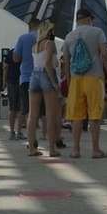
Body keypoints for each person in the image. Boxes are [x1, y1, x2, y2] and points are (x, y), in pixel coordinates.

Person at [62, 8, 107, 159]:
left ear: (77, 20)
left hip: (76, 80)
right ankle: (95, 150)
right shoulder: (97, 32)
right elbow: (104, 55)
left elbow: (66, 62)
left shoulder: (69, 36)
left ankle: (75, 150)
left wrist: (69, 82)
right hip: (94, 78)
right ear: (91, 18)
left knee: (76, 117)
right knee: (95, 116)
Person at [27, 20, 62, 157]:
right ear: (49, 31)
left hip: (34, 76)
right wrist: (54, 83)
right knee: (50, 114)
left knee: (32, 115)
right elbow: (48, 63)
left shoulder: (35, 46)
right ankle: (52, 149)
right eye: (52, 30)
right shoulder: (50, 43)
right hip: (46, 76)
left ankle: (32, 149)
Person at [13, 18, 39, 142]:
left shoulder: (23, 38)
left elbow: (16, 58)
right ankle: (47, 134)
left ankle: (20, 132)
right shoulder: (45, 38)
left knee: (25, 108)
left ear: (29, 27)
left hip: (26, 77)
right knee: (45, 110)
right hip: (42, 76)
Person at [4, 49, 23, 140]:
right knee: (20, 109)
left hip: (11, 81)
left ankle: (12, 132)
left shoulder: (10, 53)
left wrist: (4, 81)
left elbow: (6, 67)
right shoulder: (24, 52)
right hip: (21, 81)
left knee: (12, 108)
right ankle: (19, 132)